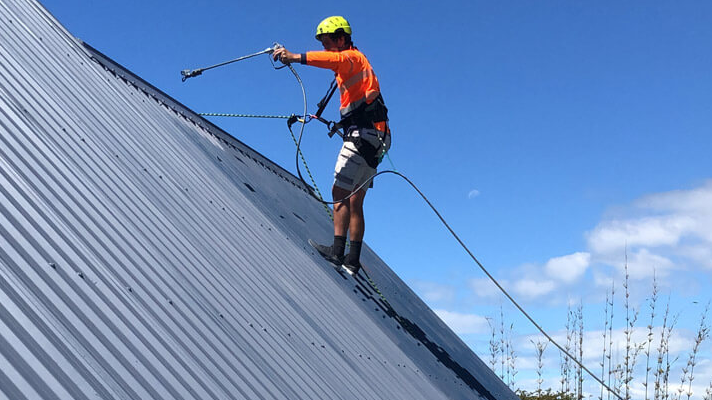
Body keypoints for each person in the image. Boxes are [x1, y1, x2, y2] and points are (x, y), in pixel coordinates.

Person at [273, 16, 391, 276]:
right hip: (377, 139)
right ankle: (353, 260)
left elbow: (333, 60)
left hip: (363, 136)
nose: (325, 49)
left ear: (341, 38)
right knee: (356, 200)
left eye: (327, 42)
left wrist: (293, 57)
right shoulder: (357, 63)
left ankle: (337, 253)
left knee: (339, 191)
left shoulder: (350, 58)